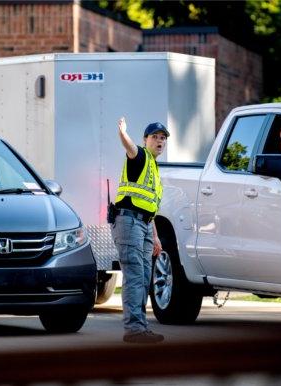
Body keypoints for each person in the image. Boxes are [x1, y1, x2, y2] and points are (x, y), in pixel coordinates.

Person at [111, 116, 167, 344]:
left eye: (163, 138)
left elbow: (149, 207)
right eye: (155, 137)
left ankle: (140, 327)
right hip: (128, 223)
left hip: (143, 225)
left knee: (144, 278)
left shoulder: (154, 167)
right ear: (146, 140)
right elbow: (130, 148)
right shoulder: (141, 156)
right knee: (135, 277)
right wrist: (123, 133)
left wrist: (155, 236)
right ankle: (134, 329)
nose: (160, 141)